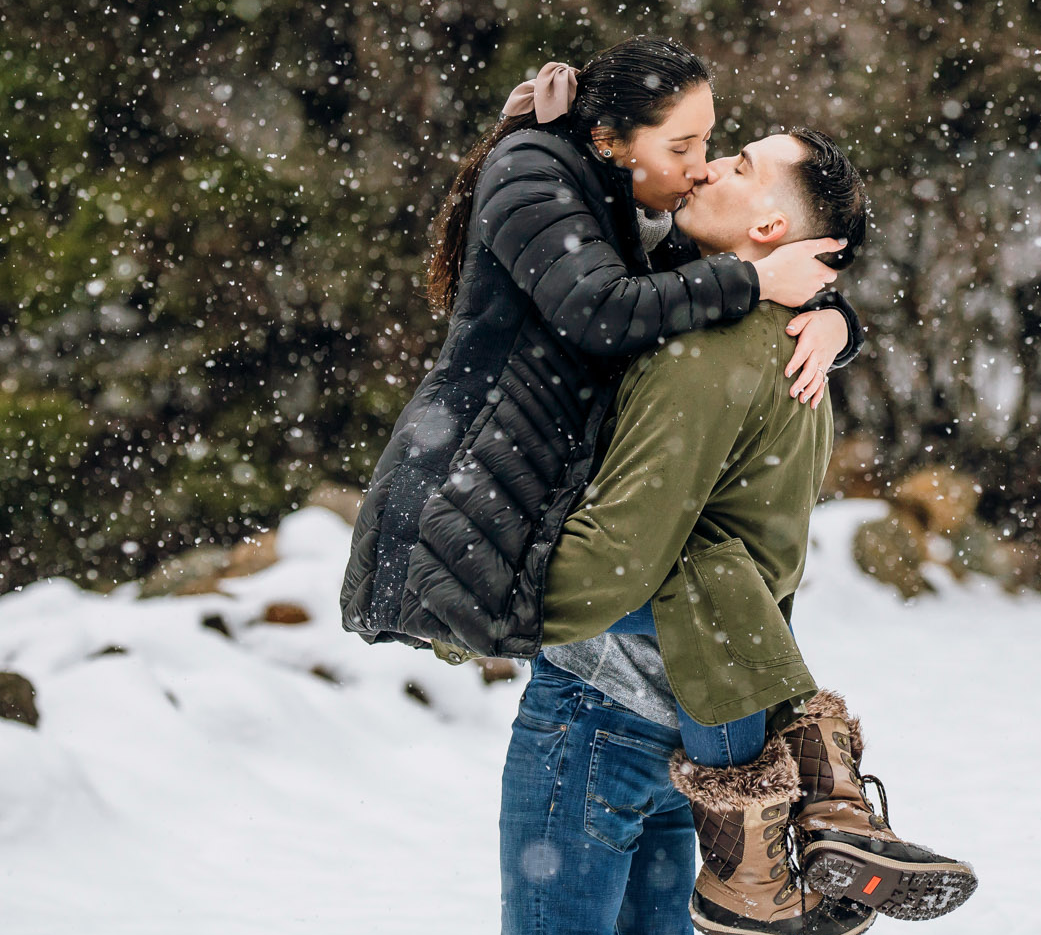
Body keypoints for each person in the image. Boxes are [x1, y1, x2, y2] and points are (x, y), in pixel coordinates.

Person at [500, 130, 976, 935]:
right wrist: (838, 313)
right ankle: (807, 814)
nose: (713, 165)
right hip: (689, 718)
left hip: (594, 707)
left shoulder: (702, 350)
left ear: (768, 224)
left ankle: (797, 828)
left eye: (742, 165)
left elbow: (619, 559)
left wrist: (488, 607)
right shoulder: (788, 343)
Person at [340, 36, 859, 660]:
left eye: (707, 140)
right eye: (680, 146)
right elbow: (599, 309)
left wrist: (833, 319)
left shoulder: (632, 203)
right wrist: (755, 279)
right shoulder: (531, 169)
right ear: (613, 138)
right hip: (465, 485)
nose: (701, 165)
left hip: (538, 489)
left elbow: (702, 280)